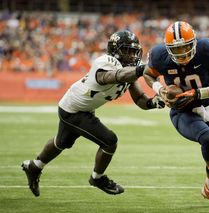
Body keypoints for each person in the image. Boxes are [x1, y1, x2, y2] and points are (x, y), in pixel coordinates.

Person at [21, 30, 165, 197]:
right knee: (109, 141)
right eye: (127, 50)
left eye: (134, 51)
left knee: (61, 142)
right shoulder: (105, 61)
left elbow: (140, 99)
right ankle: (98, 177)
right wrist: (141, 70)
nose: (132, 55)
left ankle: (34, 166)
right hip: (73, 109)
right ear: (115, 50)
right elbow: (112, 77)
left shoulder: (129, 71)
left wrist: (153, 102)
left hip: (81, 107)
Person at [143, 21, 209, 208]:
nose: (182, 52)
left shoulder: (207, 49)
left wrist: (196, 94)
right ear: (168, 49)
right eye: (176, 49)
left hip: (207, 103)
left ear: (194, 43)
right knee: (207, 137)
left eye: (186, 46)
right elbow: (148, 74)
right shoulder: (158, 56)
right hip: (181, 110)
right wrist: (159, 88)